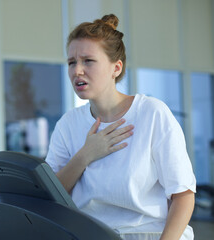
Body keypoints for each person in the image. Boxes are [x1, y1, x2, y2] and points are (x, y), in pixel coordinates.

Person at [45, 14, 196, 240]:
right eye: (71, 62)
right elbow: (51, 195)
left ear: (116, 68)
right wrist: (85, 155)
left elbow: (183, 195)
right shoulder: (68, 124)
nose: (77, 71)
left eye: (88, 61)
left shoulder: (152, 113)